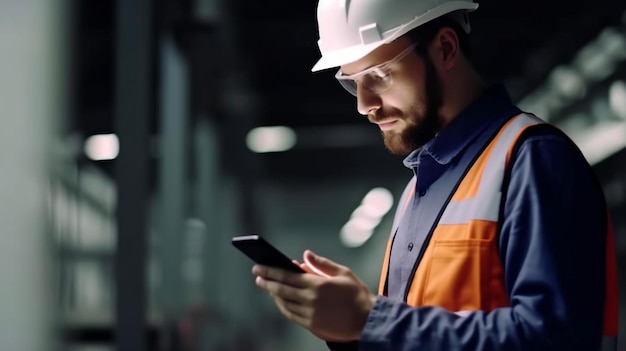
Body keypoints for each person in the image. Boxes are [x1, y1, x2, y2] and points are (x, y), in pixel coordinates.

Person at [251, 0, 619, 350]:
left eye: (379, 75)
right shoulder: (417, 188)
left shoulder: (532, 161)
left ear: (444, 49)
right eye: (351, 82)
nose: (364, 105)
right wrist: (350, 330)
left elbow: (556, 340)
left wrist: (369, 319)